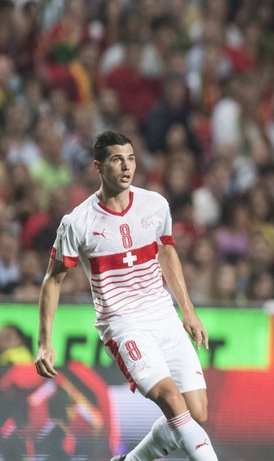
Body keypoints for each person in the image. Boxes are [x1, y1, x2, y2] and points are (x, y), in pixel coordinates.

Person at [34, 130, 218, 460]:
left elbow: (166, 253)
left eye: (130, 158)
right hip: (123, 325)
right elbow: (53, 280)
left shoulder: (155, 205)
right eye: (117, 159)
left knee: (196, 411)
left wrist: (187, 310)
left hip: (164, 316)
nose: (126, 166)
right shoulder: (78, 222)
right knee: (173, 402)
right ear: (98, 167)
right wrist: (44, 340)